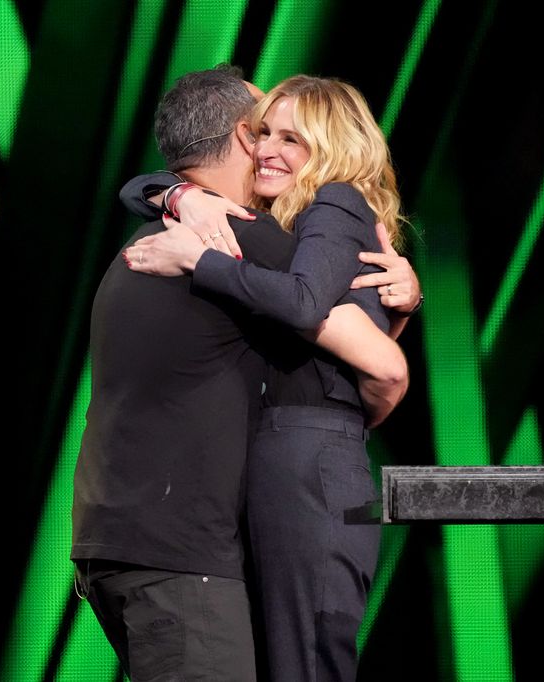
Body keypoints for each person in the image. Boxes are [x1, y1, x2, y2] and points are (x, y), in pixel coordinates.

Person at [71, 66, 414, 682]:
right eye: (266, 131)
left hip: (115, 543)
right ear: (244, 136)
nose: (273, 150)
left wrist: (171, 192)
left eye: (292, 136)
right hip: (178, 555)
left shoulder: (155, 240)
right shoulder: (240, 241)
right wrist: (403, 305)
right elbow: (383, 362)